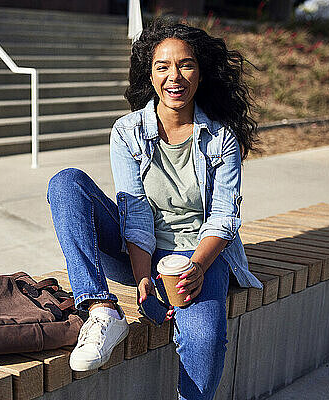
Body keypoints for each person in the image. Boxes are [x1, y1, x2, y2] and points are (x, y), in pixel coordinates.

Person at [46, 17, 263, 400]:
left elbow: (224, 217)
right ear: (150, 74)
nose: (174, 76)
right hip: (138, 249)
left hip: (196, 254)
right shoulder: (127, 131)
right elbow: (135, 210)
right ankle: (101, 310)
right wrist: (143, 277)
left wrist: (197, 267)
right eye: (162, 66)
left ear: (200, 72)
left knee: (205, 341)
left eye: (186, 64)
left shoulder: (221, 138)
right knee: (66, 184)